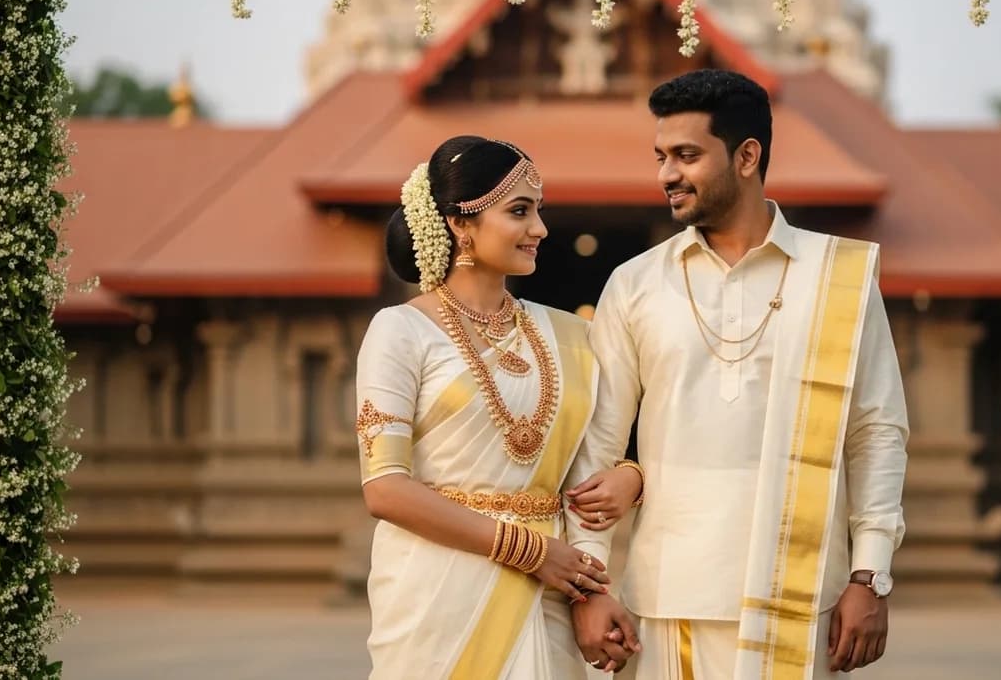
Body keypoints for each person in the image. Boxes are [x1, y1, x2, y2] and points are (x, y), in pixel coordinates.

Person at [570, 69, 910, 678]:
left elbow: (877, 430)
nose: (666, 174)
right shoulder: (636, 283)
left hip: (805, 593)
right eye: (660, 157)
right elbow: (596, 442)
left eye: (686, 155)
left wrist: (871, 575)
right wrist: (591, 587)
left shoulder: (837, 276)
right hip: (670, 598)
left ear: (747, 155)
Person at [353, 135, 638, 678]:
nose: (540, 229)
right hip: (437, 595)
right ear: (461, 223)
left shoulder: (573, 336)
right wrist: (530, 551)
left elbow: (589, 471)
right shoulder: (400, 330)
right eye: (519, 211)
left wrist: (590, 587)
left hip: (549, 592)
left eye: (539, 210)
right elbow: (385, 488)